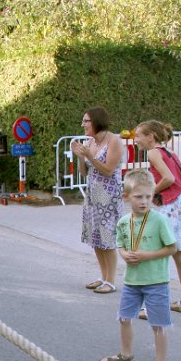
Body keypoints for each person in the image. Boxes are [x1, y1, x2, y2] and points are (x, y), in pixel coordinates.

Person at [99, 169, 176, 361]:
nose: (144, 202)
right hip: (132, 282)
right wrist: (124, 255)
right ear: (126, 197)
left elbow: (172, 248)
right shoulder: (124, 222)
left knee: (158, 324)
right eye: (138, 197)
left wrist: (147, 255)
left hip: (156, 281)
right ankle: (126, 354)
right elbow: (121, 245)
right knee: (124, 318)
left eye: (148, 197)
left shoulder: (159, 220)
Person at [132, 120, 181, 319]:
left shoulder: (153, 153)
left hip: (173, 205)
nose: (135, 140)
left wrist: (148, 194)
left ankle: (154, 305)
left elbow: (168, 178)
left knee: (155, 253)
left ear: (150, 137)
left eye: (138, 136)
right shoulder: (170, 153)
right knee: (177, 255)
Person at [72, 106, 125, 294]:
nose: (83, 125)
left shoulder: (114, 141)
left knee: (107, 237)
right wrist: (80, 158)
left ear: (96, 121)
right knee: (96, 237)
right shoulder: (91, 142)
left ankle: (111, 280)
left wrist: (89, 156)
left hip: (109, 196)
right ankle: (103, 276)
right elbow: (85, 172)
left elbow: (108, 170)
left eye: (86, 121)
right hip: (93, 195)